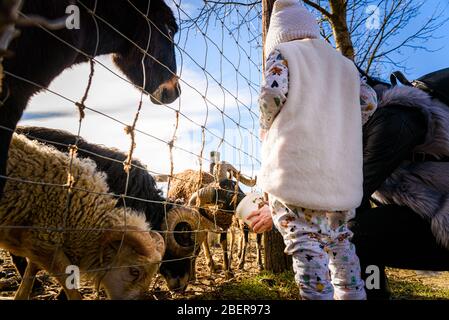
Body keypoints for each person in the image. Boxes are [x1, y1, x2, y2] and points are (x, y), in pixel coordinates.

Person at [254, 0, 377, 300]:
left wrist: (266, 124)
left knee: (306, 249)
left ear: (278, 38)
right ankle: (352, 294)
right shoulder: (345, 66)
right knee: (341, 246)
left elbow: (271, 93)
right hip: (339, 187)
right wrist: (346, 121)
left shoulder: (282, 54)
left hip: (297, 178)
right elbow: (370, 100)